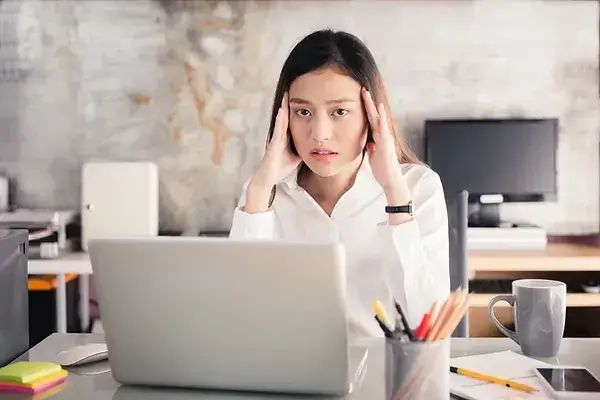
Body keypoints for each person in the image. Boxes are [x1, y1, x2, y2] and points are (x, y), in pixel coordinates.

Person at [229, 29, 450, 339]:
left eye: (340, 112)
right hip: (290, 373)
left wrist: (395, 195)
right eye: (303, 112)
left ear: (371, 116)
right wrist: (258, 191)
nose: (320, 133)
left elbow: (428, 325)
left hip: (386, 375)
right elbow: (239, 316)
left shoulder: (418, 186)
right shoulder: (264, 193)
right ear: (284, 116)